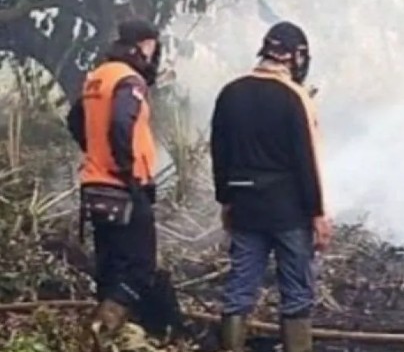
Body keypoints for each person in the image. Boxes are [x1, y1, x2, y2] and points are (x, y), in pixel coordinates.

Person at [211, 21, 332, 352]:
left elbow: (219, 153)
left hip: (244, 205)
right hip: (287, 209)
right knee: (296, 293)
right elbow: (308, 160)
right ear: (296, 56)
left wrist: (226, 200)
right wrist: (318, 213)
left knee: (240, 287)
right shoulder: (295, 97)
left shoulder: (230, 92)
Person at [66, 18, 184, 346]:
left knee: (111, 268)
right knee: (137, 268)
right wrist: (126, 169)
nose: (153, 55)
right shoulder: (129, 80)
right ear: (141, 46)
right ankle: (97, 336)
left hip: (96, 186)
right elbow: (121, 122)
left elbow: (75, 120)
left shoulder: (98, 77)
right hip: (123, 189)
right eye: (151, 47)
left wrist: (96, 153)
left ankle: (117, 335)